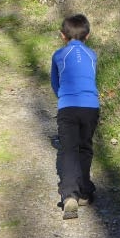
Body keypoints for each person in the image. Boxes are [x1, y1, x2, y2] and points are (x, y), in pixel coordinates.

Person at [50, 13, 100, 219]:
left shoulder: (58, 55)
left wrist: (63, 98)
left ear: (62, 35)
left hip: (68, 107)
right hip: (91, 107)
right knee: (85, 147)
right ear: (87, 36)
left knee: (68, 149)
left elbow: (55, 82)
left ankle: (70, 193)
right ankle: (85, 191)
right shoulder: (93, 55)